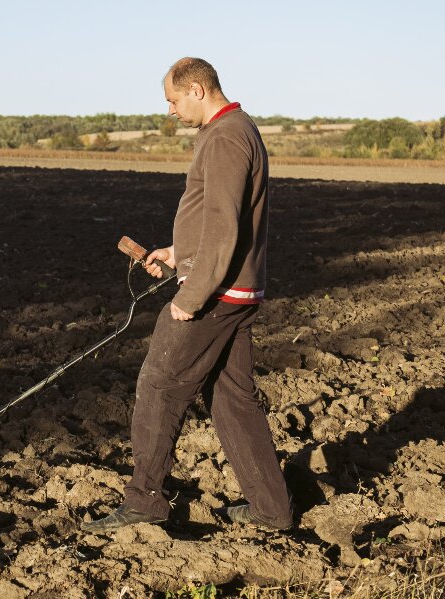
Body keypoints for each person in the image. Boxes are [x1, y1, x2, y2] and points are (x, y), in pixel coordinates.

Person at [82, 57, 294, 533]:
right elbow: (217, 220)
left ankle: (144, 501)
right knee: (232, 399)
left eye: (173, 100)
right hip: (235, 289)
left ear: (197, 89)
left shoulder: (224, 136)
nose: (171, 111)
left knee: (159, 384)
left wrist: (191, 297)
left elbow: (224, 226)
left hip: (216, 293)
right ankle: (271, 509)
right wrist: (178, 252)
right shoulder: (234, 130)